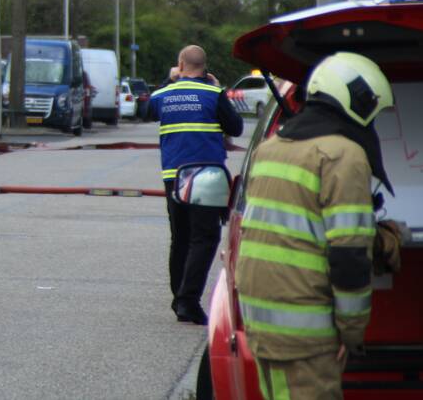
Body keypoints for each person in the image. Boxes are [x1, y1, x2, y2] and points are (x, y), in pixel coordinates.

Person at [236, 52, 394, 400]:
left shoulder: (271, 148)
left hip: (264, 323)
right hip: (306, 332)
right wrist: (351, 334)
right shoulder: (343, 154)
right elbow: (349, 257)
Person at [148, 45, 243, 325]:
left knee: (180, 238)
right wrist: (216, 86)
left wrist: (170, 79)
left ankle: (180, 298)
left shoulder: (163, 94)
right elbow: (236, 127)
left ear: (180, 64)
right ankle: (188, 301)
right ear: (205, 67)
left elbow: (146, 110)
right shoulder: (214, 94)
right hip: (206, 176)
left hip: (173, 176)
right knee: (205, 238)